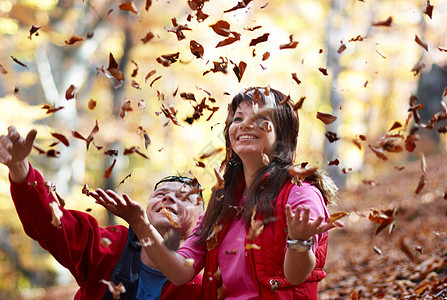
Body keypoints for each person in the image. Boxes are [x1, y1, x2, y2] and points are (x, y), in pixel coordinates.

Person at [94, 87, 343, 299]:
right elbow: (179, 271)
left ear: (282, 132)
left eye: (260, 118)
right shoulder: (224, 202)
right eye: (238, 118)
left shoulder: (299, 194)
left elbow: (296, 276)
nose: (245, 124)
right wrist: (139, 223)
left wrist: (298, 240)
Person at [0, 126, 204, 300]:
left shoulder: (203, 286)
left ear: (201, 220)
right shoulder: (112, 246)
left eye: (184, 197)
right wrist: (20, 169)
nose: (168, 199)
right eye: (161, 194)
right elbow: (54, 225)